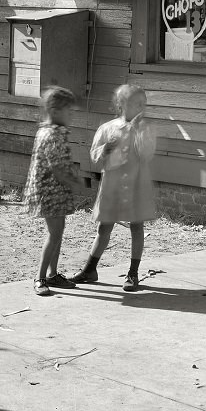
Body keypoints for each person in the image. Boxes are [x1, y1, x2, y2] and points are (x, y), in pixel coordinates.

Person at [70, 84, 157, 292]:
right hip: (112, 186)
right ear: (121, 105)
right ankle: (90, 269)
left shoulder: (146, 129)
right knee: (104, 227)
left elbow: (147, 155)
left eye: (143, 104)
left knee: (137, 226)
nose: (141, 107)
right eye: (136, 103)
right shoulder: (108, 128)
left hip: (136, 183)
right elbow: (94, 156)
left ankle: (133, 273)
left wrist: (137, 134)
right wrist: (106, 148)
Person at [24, 85, 81, 296]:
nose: (71, 115)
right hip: (50, 191)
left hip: (53, 191)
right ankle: (40, 278)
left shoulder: (47, 131)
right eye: (69, 110)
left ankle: (53, 274)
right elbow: (56, 166)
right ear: (56, 111)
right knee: (54, 234)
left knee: (58, 232)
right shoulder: (54, 134)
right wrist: (74, 179)